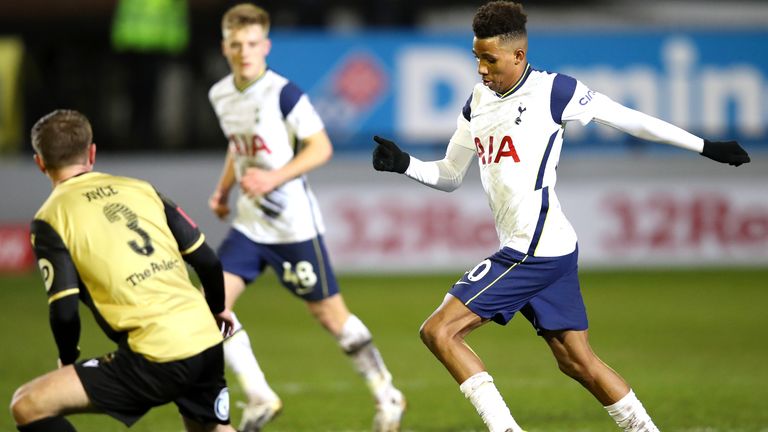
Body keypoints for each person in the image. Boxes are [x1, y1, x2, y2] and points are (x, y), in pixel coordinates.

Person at [371, 2, 750, 431]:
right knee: (577, 361)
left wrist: (704, 146)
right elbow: (451, 174)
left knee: (439, 331)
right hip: (550, 247)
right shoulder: (476, 102)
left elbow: (629, 119)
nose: (480, 69)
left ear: (518, 55)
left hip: (533, 247)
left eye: (489, 59)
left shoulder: (554, 91)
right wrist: (405, 164)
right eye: (476, 57)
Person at [207, 4, 405, 432]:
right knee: (210, 306)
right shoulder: (220, 94)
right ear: (225, 47)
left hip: (292, 226)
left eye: (253, 44)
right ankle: (258, 396)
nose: (245, 52)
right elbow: (237, 146)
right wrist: (225, 189)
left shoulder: (284, 93)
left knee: (331, 316)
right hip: (248, 224)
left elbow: (320, 147)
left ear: (266, 45)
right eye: (237, 45)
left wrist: (275, 177)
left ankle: (387, 393)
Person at [10, 109, 237, 432]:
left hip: (156, 356)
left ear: (40, 162)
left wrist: (67, 356)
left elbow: (64, 310)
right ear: (91, 152)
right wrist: (215, 309)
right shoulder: (141, 189)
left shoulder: (50, 218)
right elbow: (208, 261)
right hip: (204, 339)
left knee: (27, 404)